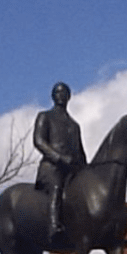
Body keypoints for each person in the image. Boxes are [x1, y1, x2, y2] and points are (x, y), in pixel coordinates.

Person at [34, 82, 87, 237]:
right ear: (53, 96)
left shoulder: (74, 125)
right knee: (56, 188)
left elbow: (81, 152)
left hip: (71, 171)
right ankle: (53, 226)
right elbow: (39, 141)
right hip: (51, 168)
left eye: (64, 93)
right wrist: (60, 158)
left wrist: (88, 170)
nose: (61, 95)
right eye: (58, 92)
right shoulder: (45, 116)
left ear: (69, 97)